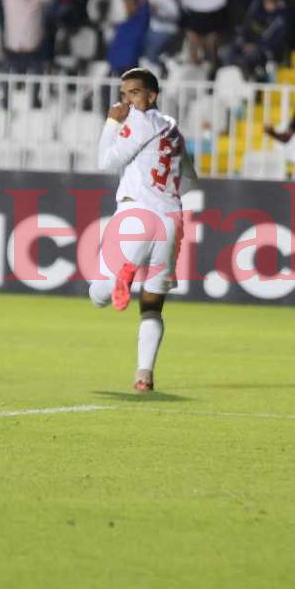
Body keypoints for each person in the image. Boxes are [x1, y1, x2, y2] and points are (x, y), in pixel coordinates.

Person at [89, 67, 197, 393]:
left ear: (152, 95)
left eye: (134, 93)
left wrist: (111, 122)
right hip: (170, 220)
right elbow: (190, 179)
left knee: (98, 296)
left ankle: (123, 276)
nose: (128, 101)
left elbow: (105, 162)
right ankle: (144, 375)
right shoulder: (173, 130)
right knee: (151, 306)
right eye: (124, 94)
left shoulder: (136, 122)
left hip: (135, 214)